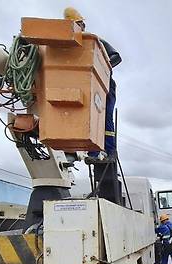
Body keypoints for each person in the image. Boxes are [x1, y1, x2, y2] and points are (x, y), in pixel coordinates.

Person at [64, 7, 121, 156]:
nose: (80, 27)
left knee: (104, 117)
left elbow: (116, 57)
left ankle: (109, 151)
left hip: (104, 86)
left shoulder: (93, 41)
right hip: (84, 87)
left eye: (80, 24)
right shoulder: (66, 45)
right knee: (87, 117)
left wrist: (101, 67)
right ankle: (91, 152)